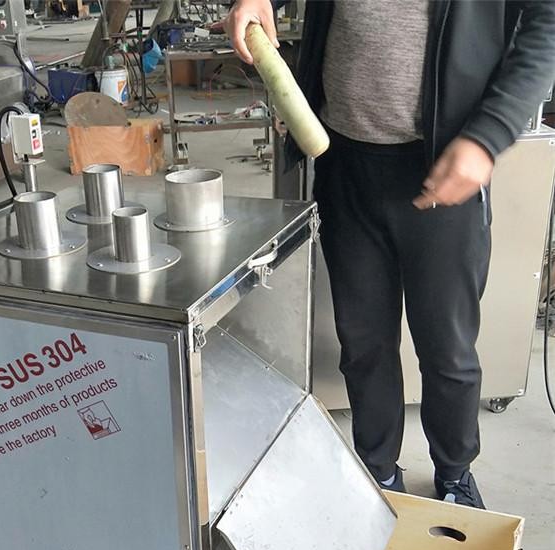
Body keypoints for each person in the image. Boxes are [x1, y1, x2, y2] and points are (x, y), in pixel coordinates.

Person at [227, 0, 555, 508]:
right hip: (343, 162)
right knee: (364, 344)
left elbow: (547, 22)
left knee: (447, 349)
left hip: (440, 165)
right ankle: (378, 470)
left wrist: (489, 134)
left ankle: (454, 474)